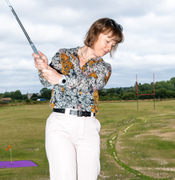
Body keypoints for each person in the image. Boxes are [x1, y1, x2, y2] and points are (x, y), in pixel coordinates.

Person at [32, 18, 124, 180]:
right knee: (64, 175)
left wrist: (61, 79)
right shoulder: (63, 55)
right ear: (95, 33)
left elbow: (90, 84)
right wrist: (43, 68)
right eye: (107, 40)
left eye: (114, 44)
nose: (109, 47)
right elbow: (45, 81)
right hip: (60, 124)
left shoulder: (104, 68)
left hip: (88, 127)